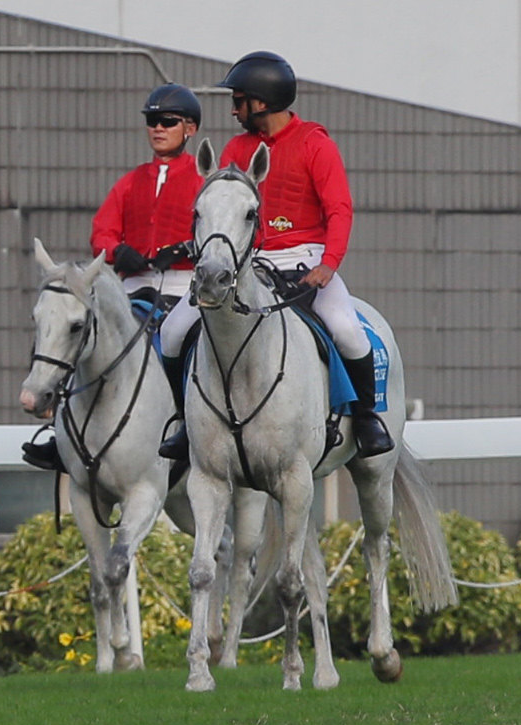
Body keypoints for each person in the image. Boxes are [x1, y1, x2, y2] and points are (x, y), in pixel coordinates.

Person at [158, 51, 394, 461]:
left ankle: (367, 417)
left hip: (307, 260)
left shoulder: (315, 145)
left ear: (261, 102)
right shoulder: (236, 147)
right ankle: (184, 422)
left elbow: (340, 209)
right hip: (250, 262)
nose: (233, 109)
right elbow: (217, 210)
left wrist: (329, 264)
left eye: (238, 100)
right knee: (174, 329)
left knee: (347, 330)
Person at [22, 83, 205, 473]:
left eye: (167, 121)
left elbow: (217, 231)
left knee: (180, 344)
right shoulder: (130, 182)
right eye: (152, 121)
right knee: (81, 339)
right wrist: (116, 250)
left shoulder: (203, 181)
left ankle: (189, 427)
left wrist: (189, 248)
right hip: (131, 287)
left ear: (189, 128)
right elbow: (102, 230)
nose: (157, 128)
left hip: (181, 288)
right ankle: (63, 432)